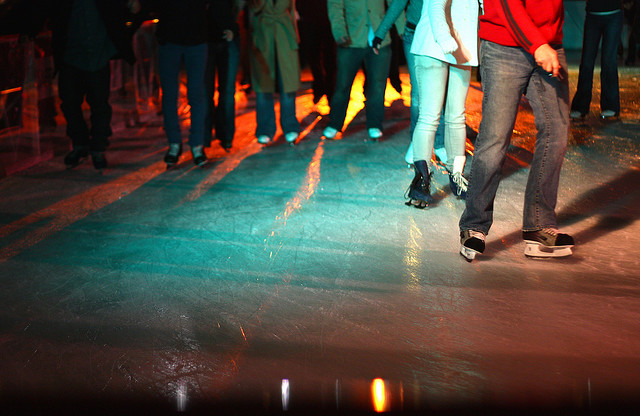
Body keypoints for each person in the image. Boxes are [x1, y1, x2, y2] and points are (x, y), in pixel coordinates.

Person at [459, 0, 575, 261]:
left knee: (556, 131)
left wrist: (547, 42)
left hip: (549, 45)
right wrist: (538, 45)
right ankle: (474, 225)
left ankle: (538, 226)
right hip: (505, 46)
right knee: (495, 138)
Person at [13, 0, 141, 172]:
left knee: (99, 103)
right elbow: (42, 7)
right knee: (70, 103)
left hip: (97, 53)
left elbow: (122, 9)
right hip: (71, 54)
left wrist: (133, 12)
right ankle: (81, 143)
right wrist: (29, 30)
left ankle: (97, 147)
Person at [396, 0, 477, 208]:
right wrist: (444, 37)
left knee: (457, 115)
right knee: (429, 115)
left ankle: (457, 176)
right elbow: (435, 6)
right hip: (434, 43)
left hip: (463, 47)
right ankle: (421, 181)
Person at [141, 0, 210, 168]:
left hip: (196, 38)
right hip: (171, 39)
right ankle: (175, 143)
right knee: (170, 96)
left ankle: (196, 144)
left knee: (196, 94)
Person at [324, 0, 393, 141]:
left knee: (378, 85)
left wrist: (403, 28)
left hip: (380, 38)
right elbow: (335, 6)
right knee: (343, 85)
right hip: (351, 38)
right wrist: (339, 32)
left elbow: (395, 3)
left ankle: (375, 124)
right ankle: (335, 124)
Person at [248, 0, 300, 145]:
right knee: (264, 84)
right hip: (263, 35)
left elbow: (292, 8)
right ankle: (265, 129)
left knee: (288, 83)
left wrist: (295, 37)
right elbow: (254, 6)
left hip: (285, 34)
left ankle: (290, 126)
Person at [570, 0, 623, 120]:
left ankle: (611, 105)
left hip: (613, 14)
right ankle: (580, 106)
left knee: (609, 62)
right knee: (586, 63)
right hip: (593, 15)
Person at [204, 0, 241, 152]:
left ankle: (226, 135)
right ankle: (205, 137)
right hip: (205, 40)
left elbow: (239, 6)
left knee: (227, 92)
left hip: (228, 37)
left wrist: (232, 26)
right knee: (207, 92)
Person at [296, 0, 336, 105]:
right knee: (315, 56)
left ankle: (327, 90)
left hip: (326, 20)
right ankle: (321, 87)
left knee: (329, 58)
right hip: (313, 20)